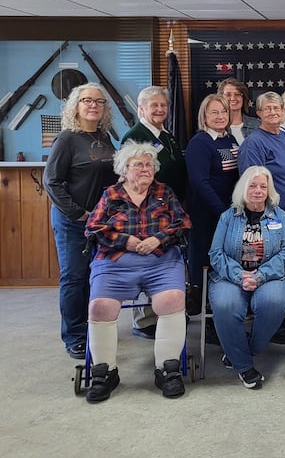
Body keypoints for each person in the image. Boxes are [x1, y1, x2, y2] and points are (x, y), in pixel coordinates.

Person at [83, 141, 191, 403]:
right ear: (124, 169)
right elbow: (92, 228)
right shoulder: (111, 195)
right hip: (116, 260)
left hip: (161, 260)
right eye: (138, 164)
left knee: (172, 299)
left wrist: (159, 239)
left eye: (149, 165)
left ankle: (167, 369)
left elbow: (182, 222)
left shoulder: (164, 192)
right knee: (100, 306)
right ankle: (105, 371)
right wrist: (126, 241)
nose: (145, 169)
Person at [44, 82, 117, 360]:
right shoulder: (67, 139)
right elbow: (51, 181)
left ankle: (91, 329)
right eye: (87, 100)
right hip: (72, 221)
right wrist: (79, 213)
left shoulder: (104, 136)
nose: (94, 105)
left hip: (100, 222)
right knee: (74, 277)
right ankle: (74, 336)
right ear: (75, 105)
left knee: (94, 277)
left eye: (99, 101)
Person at [208, 166, 285, 388]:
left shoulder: (280, 215)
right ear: (243, 188)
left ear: (269, 190)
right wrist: (240, 275)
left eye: (263, 187)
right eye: (253, 185)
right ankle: (244, 366)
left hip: (270, 275)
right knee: (226, 305)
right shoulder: (228, 217)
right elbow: (215, 253)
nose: (258, 191)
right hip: (230, 276)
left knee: (274, 302)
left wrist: (261, 276)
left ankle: (239, 351)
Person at [121, 85, 188, 339]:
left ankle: (165, 310)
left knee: (163, 259)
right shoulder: (135, 136)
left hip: (169, 208)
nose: (160, 110)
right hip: (146, 211)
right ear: (141, 109)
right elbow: (131, 177)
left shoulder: (166, 135)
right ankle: (145, 319)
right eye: (154, 106)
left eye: (163, 105)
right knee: (146, 259)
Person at [185, 93, 239, 290]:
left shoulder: (230, 139)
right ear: (204, 116)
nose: (220, 116)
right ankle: (204, 305)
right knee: (205, 258)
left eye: (223, 111)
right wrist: (221, 210)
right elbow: (199, 182)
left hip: (228, 211)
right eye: (213, 112)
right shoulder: (200, 142)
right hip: (207, 213)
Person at [238, 91, 285, 225]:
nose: (272, 112)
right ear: (259, 113)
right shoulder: (254, 143)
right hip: (271, 217)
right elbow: (250, 184)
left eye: (276, 108)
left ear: (283, 111)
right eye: (267, 108)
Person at [217, 78, 259, 145]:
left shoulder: (258, 125)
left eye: (237, 94)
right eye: (228, 95)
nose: (233, 98)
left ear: (243, 97)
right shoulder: (215, 127)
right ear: (220, 98)